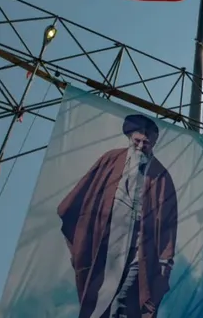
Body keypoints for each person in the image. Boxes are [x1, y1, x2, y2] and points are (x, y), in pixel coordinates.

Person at [57, 114, 178, 318]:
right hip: (107, 243)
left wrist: (164, 267)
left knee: (125, 302)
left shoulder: (161, 176)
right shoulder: (111, 159)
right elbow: (81, 198)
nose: (140, 146)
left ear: (153, 144)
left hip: (139, 250)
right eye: (137, 141)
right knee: (99, 301)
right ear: (130, 138)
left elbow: (168, 227)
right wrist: (81, 240)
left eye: (146, 143)